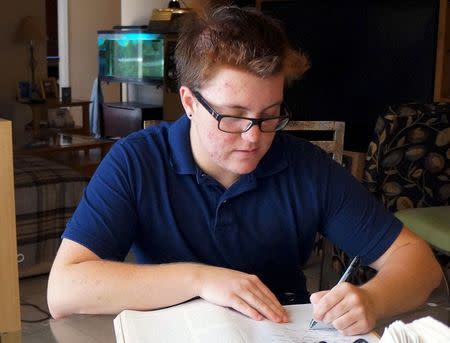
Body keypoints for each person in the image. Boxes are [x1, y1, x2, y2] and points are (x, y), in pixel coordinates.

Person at [47, 4, 441, 336]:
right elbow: (64, 290)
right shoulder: (136, 162)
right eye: (233, 117)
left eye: (270, 115)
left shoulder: (306, 168)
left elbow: (418, 262)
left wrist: (373, 298)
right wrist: (201, 278)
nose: (254, 138)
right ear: (188, 101)